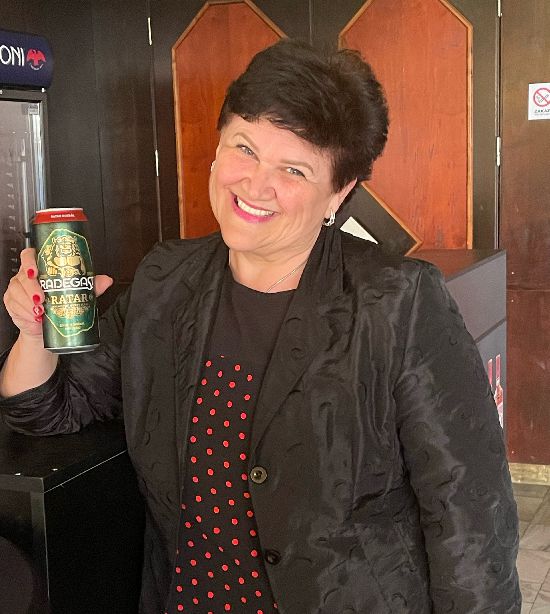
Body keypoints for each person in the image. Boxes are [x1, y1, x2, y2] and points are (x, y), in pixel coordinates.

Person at [0, 39, 520, 613]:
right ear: (217, 149)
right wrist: (34, 331)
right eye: (244, 148)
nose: (254, 184)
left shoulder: (397, 301)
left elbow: (470, 515)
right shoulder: (165, 280)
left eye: (293, 169)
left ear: (339, 192)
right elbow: (48, 409)